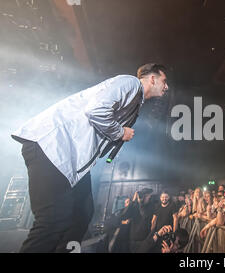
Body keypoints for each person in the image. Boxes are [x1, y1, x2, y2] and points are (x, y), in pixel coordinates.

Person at [11, 63, 169, 253]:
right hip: (53, 148)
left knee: (83, 213)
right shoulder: (130, 83)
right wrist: (120, 132)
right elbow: (95, 110)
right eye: (164, 81)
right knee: (52, 220)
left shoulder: (135, 100)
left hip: (70, 160)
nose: (166, 87)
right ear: (152, 78)